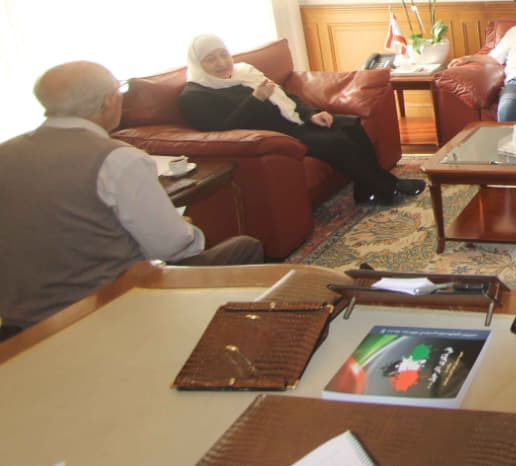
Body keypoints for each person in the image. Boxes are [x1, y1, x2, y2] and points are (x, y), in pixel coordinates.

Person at [0, 61, 264, 341]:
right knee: (244, 247)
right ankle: (222, 343)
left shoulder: (6, 153)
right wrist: (184, 228)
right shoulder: (118, 159)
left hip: (23, 317)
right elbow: (172, 247)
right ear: (109, 101)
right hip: (109, 303)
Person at [179, 35, 424, 205]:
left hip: (295, 120)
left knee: (351, 125)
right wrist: (255, 100)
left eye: (223, 54)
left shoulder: (244, 72)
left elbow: (285, 96)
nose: (221, 63)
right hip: (275, 136)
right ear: (197, 64)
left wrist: (311, 113)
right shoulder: (195, 96)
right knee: (338, 142)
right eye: (211, 59)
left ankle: (366, 191)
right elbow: (222, 131)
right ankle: (389, 186)